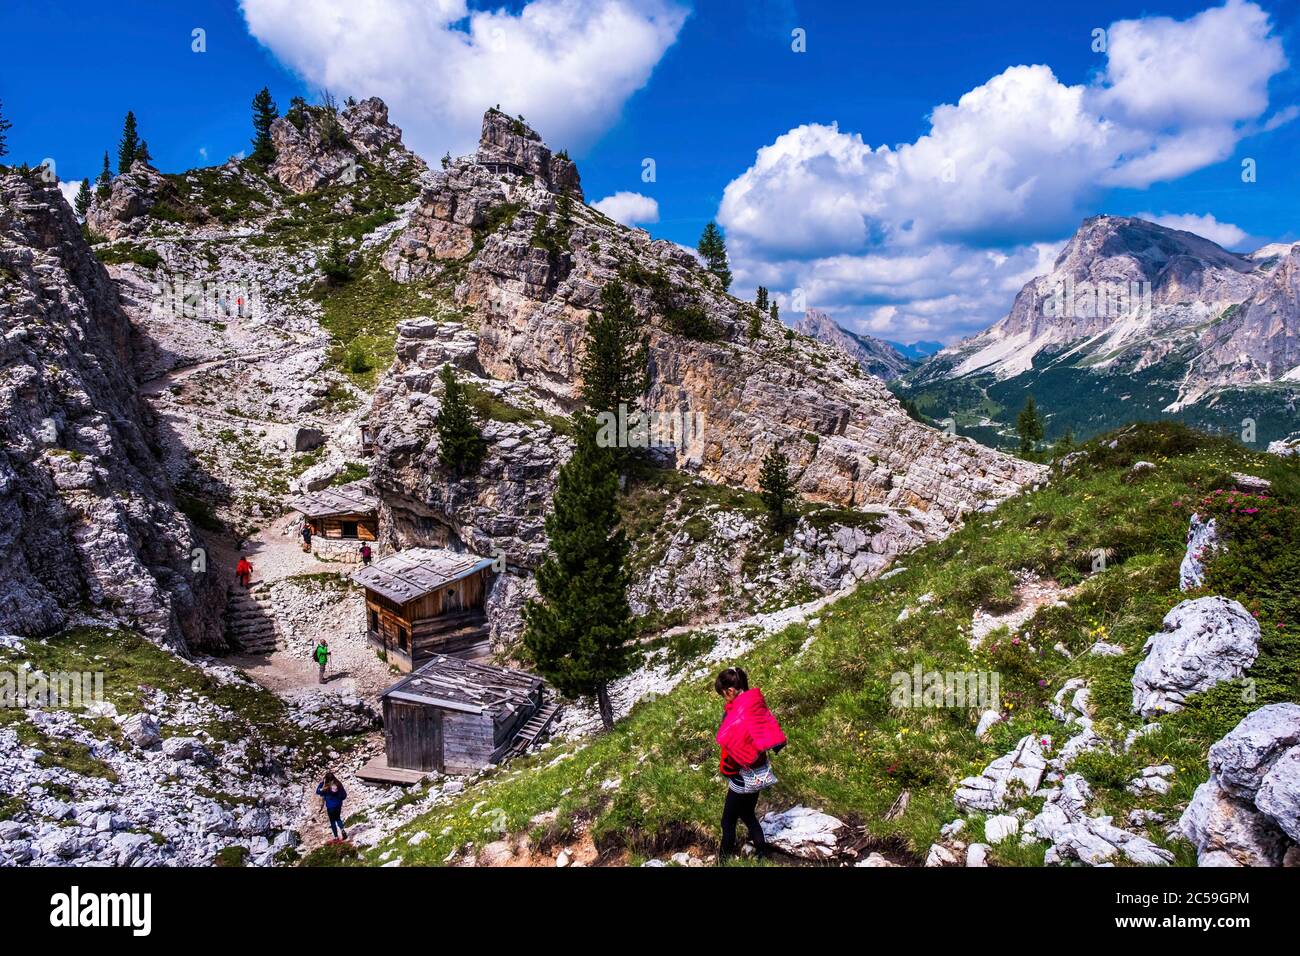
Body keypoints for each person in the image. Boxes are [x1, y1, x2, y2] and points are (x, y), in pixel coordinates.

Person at [714, 666, 785, 860]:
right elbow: (767, 730)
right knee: (747, 814)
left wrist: (729, 768)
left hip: (741, 776)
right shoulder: (755, 704)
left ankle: (723, 862)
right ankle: (762, 854)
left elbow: (731, 744)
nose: (724, 699)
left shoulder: (735, 714)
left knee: (727, 822)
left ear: (730, 691)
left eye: (723, 694)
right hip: (760, 772)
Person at [316, 772, 348, 841]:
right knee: (338, 818)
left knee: (332, 821)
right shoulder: (338, 784)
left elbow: (318, 791)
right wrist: (339, 800)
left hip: (330, 807)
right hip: (338, 805)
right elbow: (344, 795)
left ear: (326, 779)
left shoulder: (325, 787)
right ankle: (342, 830)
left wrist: (322, 783)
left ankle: (336, 837)